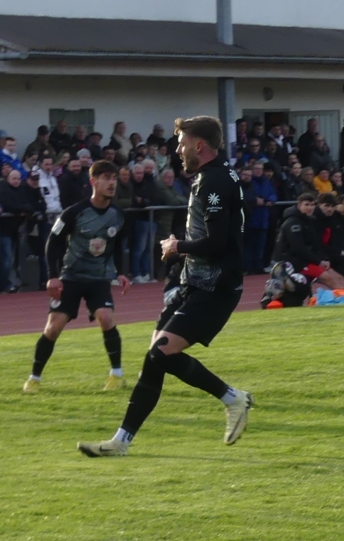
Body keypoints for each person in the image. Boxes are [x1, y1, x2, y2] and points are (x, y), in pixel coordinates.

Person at [79, 115, 251, 456]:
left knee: (162, 352)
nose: (178, 149)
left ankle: (233, 398)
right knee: (155, 358)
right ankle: (121, 442)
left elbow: (217, 241)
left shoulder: (214, 181)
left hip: (216, 286)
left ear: (199, 145)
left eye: (182, 143)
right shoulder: (215, 174)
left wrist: (177, 246)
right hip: (195, 279)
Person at [25, 159, 129, 393]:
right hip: (71, 277)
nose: (111, 183)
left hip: (99, 279)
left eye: (114, 178)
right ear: (93, 181)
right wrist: (53, 276)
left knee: (106, 318)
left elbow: (118, 245)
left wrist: (121, 272)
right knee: (53, 328)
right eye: (106, 178)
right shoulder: (74, 212)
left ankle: (117, 375)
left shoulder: (118, 215)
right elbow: (53, 243)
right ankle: (34, 378)